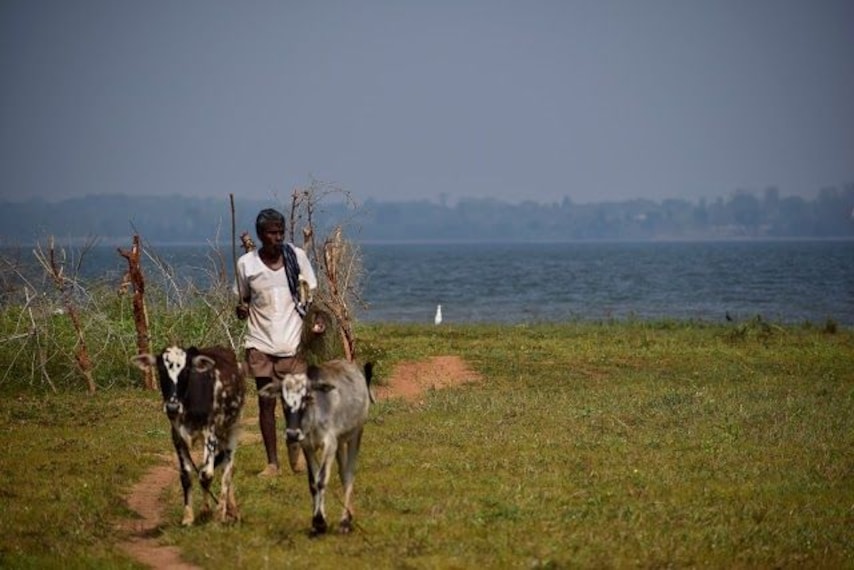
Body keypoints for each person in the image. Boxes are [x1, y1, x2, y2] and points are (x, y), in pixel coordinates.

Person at [235, 208, 318, 477]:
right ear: (260, 235)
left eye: (280, 231)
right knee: (266, 404)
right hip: (260, 342)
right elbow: (243, 299)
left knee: (293, 403)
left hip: (292, 343)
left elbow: (310, 294)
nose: (278, 237)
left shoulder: (297, 258)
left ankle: (295, 449)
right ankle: (272, 463)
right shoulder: (246, 264)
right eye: (272, 232)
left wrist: (316, 324)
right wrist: (242, 309)